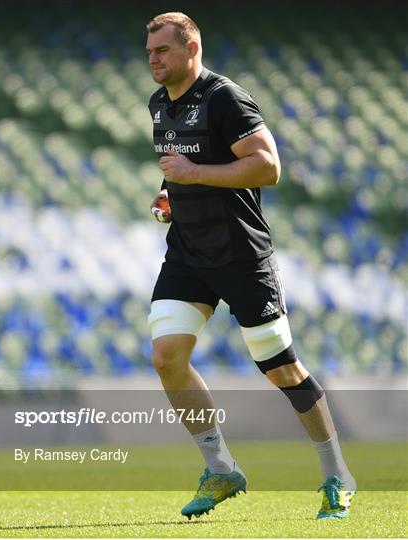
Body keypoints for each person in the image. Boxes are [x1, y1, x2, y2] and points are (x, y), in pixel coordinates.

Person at [145, 11, 356, 520]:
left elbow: (268, 166)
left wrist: (193, 172)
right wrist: (173, 195)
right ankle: (220, 469)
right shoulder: (159, 104)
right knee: (167, 355)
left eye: (162, 51)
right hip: (189, 251)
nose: (152, 59)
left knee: (280, 368)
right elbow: (190, 175)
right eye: (149, 51)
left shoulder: (225, 98)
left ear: (191, 48)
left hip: (242, 255)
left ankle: (337, 474)